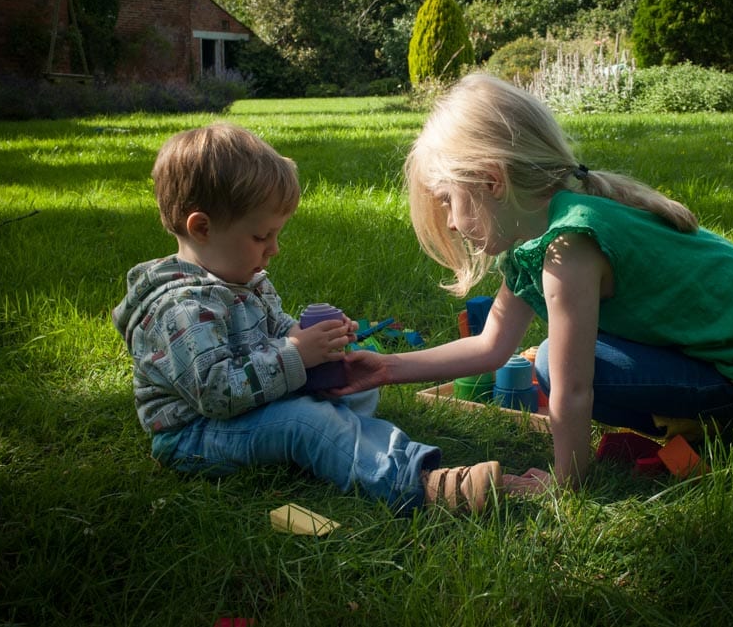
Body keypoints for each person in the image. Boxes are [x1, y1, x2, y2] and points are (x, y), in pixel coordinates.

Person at [338, 73, 733, 493]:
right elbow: (491, 346)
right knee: (557, 354)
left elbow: (575, 391)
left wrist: (565, 479)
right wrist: (383, 367)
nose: (448, 221)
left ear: (492, 182)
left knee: (556, 363)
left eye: (447, 199)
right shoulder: (549, 229)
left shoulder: (566, 247)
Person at [112, 123, 501, 513]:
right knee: (303, 421)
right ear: (202, 228)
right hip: (197, 434)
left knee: (355, 387)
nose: (274, 250)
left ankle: (333, 441)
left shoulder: (245, 279)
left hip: (248, 405)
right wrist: (297, 354)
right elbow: (217, 393)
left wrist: (318, 341)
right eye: (261, 237)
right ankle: (416, 483)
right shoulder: (180, 309)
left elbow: (279, 331)